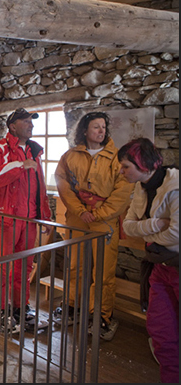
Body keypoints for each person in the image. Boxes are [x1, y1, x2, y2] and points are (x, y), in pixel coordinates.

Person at [53, 111, 133, 341]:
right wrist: (80, 211)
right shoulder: (70, 156)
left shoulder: (117, 158)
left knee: (104, 271)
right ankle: (72, 306)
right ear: (85, 130)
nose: (101, 131)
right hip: (78, 219)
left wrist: (99, 214)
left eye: (103, 127)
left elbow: (123, 191)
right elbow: (63, 184)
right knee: (75, 265)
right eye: (96, 127)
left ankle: (101, 315)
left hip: (104, 222)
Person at [0, 108, 52, 333]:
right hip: (6, 217)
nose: (31, 125)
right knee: (2, 265)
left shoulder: (34, 151)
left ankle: (21, 307)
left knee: (25, 265)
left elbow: (39, 187)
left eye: (32, 121)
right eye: (26, 121)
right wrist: (19, 166)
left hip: (29, 219)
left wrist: (45, 217)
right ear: (12, 126)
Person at [118, 138, 178, 383]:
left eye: (125, 167)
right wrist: (155, 225)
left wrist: (147, 233)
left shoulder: (175, 187)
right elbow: (127, 227)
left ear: (143, 165)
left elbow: (176, 235)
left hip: (176, 265)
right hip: (159, 265)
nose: (121, 172)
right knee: (161, 331)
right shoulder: (141, 187)